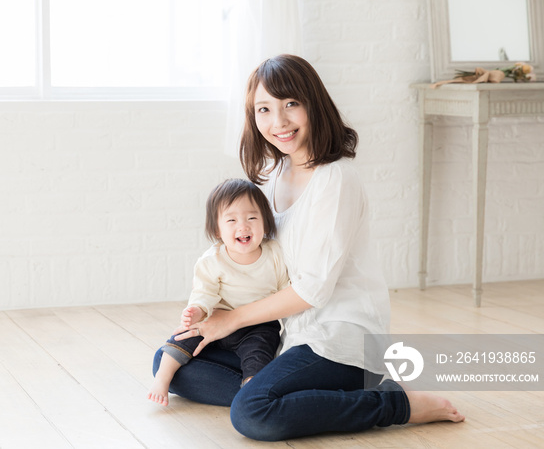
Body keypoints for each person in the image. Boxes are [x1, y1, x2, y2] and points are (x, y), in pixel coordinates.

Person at [152, 54, 464, 440]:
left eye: (290, 105)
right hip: (289, 335)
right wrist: (211, 308)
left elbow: (313, 289)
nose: (278, 122)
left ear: (313, 104)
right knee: (172, 361)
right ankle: (309, 398)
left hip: (339, 338)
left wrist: (231, 321)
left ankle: (397, 403)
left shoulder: (336, 179)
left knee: (252, 414)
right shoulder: (275, 175)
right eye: (264, 109)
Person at [147, 178, 289, 406]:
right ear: (217, 229)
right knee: (182, 338)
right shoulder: (212, 260)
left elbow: (285, 293)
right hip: (217, 319)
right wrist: (196, 312)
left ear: (266, 222)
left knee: (259, 355)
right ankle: (162, 379)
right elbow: (204, 293)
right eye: (231, 220)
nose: (243, 226)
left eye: (252, 218)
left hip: (258, 326)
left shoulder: (275, 254)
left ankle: (251, 388)